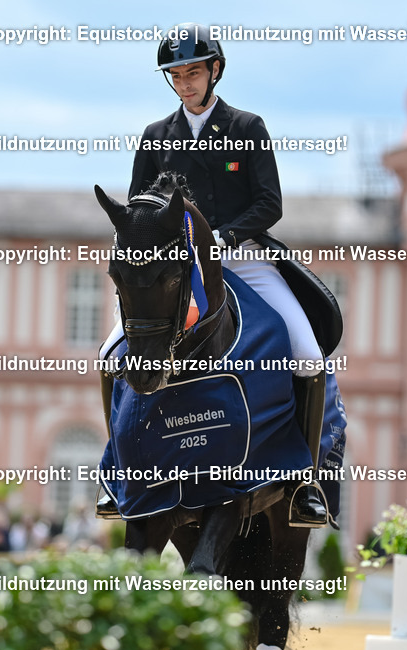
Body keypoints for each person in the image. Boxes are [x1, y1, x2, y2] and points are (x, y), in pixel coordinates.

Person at [97, 23, 328, 526]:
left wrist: (226, 236)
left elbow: (270, 203)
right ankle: (117, 476)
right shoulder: (156, 136)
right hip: (175, 269)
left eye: (193, 73)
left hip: (242, 257)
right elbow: (138, 211)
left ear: (215, 71)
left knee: (308, 354)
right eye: (176, 75)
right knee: (111, 356)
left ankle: (304, 481)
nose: (184, 83)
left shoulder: (247, 127)